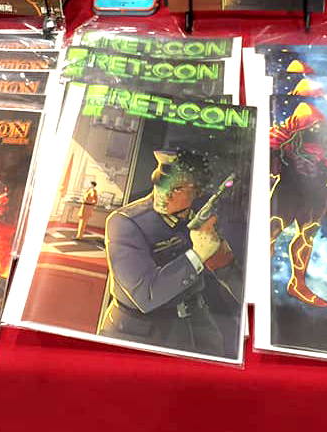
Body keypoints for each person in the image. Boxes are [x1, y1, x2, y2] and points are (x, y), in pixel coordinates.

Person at [98, 150, 242, 357]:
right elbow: (145, 296)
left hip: (197, 325)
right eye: (160, 183)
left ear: (198, 191)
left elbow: (227, 270)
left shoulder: (197, 221)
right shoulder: (125, 222)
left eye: (177, 189)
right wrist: (197, 255)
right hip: (140, 332)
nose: (164, 194)